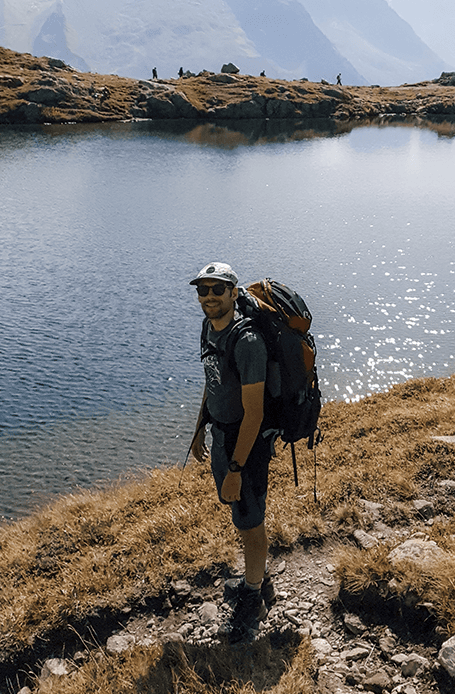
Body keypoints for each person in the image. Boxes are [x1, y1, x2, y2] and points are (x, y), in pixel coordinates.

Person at [189, 262, 275, 644]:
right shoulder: (209, 328)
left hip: (246, 446)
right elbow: (213, 380)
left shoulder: (248, 341)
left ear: (233, 293)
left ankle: (252, 603)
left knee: (251, 523)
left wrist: (236, 469)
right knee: (242, 518)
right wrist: (199, 427)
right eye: (202, 289)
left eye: (217, 289)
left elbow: (254, 414)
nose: (209, 296)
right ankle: (260, 581)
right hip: (222, 438)